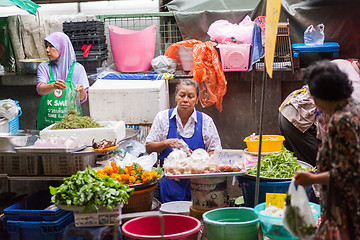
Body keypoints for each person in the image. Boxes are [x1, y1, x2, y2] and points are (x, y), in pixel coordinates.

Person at [294, 60, 360, 238]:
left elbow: (348, 173)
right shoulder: (353, 110)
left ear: (324, 95)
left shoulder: (342, 122)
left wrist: (311, 179)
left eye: (314, 96)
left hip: (346, 208)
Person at [145, 79, 222, 203]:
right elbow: (149, 147)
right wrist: (166, 143)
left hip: (200, 186)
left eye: (191, 96)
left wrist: (199, 159)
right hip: (170, 184)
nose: (185, 100)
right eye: (182, 95)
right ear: (176, 97)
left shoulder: (206, 121)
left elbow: (216, 152)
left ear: (197, 100)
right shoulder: (163, 118)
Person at [278, 58, 360, 166]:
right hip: (299, 120)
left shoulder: (342, 63)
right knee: (317, 165)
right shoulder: (354, 90)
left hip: (288, 111)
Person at [36, 32, 89, 130]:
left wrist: (80, 90)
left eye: (51, 46)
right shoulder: (44, 67)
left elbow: (82, 99)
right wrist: (53, 86)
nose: (47, 50)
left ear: (62, 47)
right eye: (46, 46)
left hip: (72, 126)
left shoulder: (78, 69)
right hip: (47, 126)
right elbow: (40, 90)